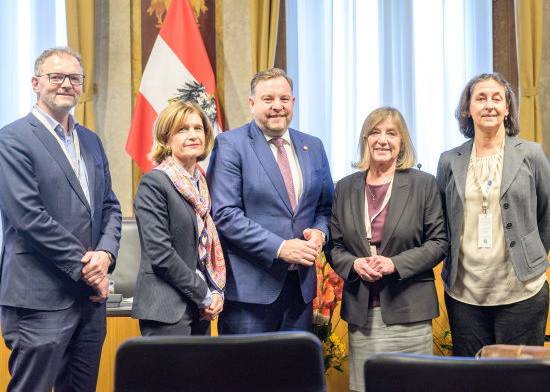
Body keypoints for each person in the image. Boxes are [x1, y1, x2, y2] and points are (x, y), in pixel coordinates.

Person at [0, 47, 122, 392]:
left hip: (89, 302)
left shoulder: (91, 141)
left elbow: (110, 207)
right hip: (39, 297)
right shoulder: (12, 139)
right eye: (56, 77)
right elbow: (28, 217)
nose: (66, 84)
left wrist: (106, 255)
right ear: (36, 83)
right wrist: (88, 267)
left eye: (74, 77)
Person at [436, 72, 550, 357]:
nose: (489, 105)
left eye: (496, 98)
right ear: (468, 109)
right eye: (480, 98)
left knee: (520, 380)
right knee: (474, 381)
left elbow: (547, 214)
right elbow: (441, 217)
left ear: (507, 109)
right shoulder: (448, 160)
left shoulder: (532, 154)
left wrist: (531, 257)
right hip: (465, 294)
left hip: (523, 291)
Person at [329, 107, 448, 392]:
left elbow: (439, 242)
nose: (383, 140)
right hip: (362, 314)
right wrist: (354, 265)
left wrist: (395, 264)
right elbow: (334, 246)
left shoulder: (423, 184)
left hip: (409, 310)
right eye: (375, 133)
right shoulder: (345, 187)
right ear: (365, 140)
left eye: (391, 133)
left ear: (402, 141)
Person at [207, 68, 334, 333]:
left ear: (293, 103)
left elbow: (324, 206)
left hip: (300, 291)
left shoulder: (314, 146)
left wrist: (320, 233)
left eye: (284, 99)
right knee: (246, 374)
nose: (277, 106)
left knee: (293, 374)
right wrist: (279, 248)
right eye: (268, 99)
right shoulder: (231, 144)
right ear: (252, 103)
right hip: (250, 294)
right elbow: (225, 214)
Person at [132, 101, 226, 335]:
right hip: (166, 309)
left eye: (198, 128)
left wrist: (216, 292)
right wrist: (203, 293)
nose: (193, 135)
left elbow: (204, 248)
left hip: (200, 308)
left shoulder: (202, 185)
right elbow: (161, 254)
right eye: (182, 129)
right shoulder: (155, 183)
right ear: (166, 139)